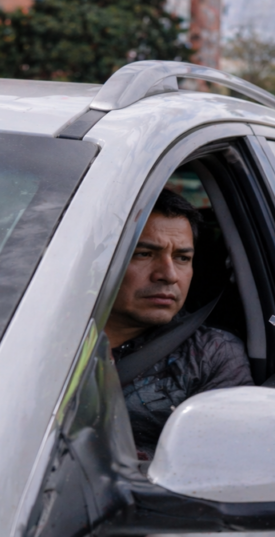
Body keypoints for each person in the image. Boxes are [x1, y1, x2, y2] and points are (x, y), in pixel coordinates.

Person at [105, 189, 252, 458]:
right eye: (145, 254)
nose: (169, 275)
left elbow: (219, 468)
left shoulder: (212, 355)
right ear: (103, 259)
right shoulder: (40, 336)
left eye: (182, 258)